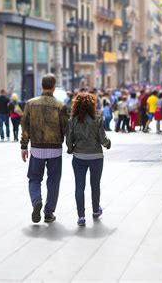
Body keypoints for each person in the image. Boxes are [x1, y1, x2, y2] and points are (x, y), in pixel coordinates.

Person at [20, 74, 68, 224]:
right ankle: (49, 213)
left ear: (41, 86)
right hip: (55, 149)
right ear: (54, 87)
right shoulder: (60, 106)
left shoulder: (30, 104)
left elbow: (25, 127)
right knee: (53, 181)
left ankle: (36, 201)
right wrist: (71, 146)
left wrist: (23, 146)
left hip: (37, 148)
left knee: (34, 178)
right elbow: (65, 128)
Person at [66, 93, 111, 226]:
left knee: (79, 187)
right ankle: (96, 210)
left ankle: (81, 217)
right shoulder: (97, 119)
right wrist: (108, 144)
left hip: (79, 156)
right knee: (95, 185)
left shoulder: (72, 120)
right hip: (96, 157)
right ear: (92, 105)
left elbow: (68, 140)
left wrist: (71, 149)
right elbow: (103, 140)